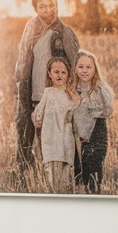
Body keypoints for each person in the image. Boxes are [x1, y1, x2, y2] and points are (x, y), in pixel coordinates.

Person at [14, 0, 80, 182]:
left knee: (51, 145)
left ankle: (54, 184)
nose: (48, 10)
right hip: (30, 96)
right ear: (36, 9)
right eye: (42, 7)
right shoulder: (30, 28)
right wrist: (19, 90)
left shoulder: (65, 33)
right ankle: (25, 180)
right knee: (24, 139)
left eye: (51, 5)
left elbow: (75, 66)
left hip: (54, 100)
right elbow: (22, 61)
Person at [31, 57, 79, 194]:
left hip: (65, 139)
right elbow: (38, 115)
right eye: (56, 71)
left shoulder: (71, 94)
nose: (59, 75)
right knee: (51, 173)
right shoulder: (48, 93)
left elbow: (78, 111)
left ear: (68, 74)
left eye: (63, 72)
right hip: (50, 139)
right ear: (49, 74)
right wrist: (37, 118)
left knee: (65, 172)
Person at [72, 50, 114, 193]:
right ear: (75, 69)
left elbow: (106, 111)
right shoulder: (70, 90)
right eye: (81, 67)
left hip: (97, 136)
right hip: (75, 139)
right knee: (76, 177)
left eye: (88, 67)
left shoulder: (102, 90)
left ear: (95, 69)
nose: (84, 71)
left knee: (94, 176)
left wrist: (85, 104)